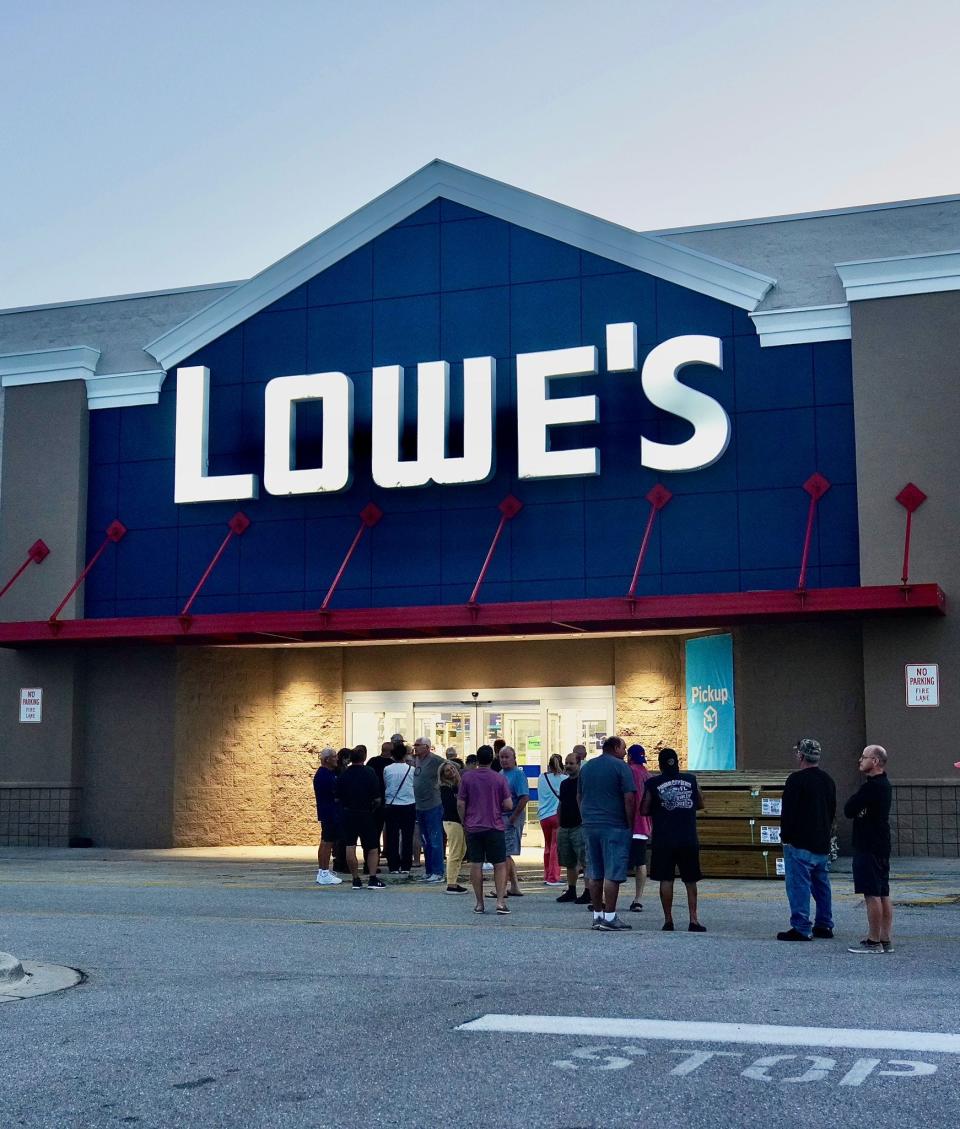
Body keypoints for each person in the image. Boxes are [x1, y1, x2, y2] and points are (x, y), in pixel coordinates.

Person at [776, 737, 836, 942]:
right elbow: (832, 810)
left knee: (798, 886)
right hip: (821, 841)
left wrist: (785, 837)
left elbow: (788, 812)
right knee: (822, 885)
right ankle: (824, 924)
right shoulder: (828, 780)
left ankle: (801, 927)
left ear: (801, 756)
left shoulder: (796, 780)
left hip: (799, 842)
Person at [641, 748, 706, 932]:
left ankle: (668, 920)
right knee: (690, 880)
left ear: (660, 764)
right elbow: (701, 802)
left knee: (666, 879)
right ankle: (694, 920)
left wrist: (659, 806)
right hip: (688, 838)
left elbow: (644, 809)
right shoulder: (690, 780)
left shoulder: (653, 783)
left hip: (663, 839)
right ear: (677, 762)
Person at [578, 735, 636, 932]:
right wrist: (630, 824)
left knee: (594, 872)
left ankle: (597, 915)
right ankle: (610, 917)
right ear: (616, 747)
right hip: (614, 825)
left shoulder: (587, 767)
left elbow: (579, 795)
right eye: (624, 748)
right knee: (612, 872)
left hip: (590, 825)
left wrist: (585, 817)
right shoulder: (621, 767)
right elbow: (629, 798)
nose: (625, 752)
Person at [845, 744, 894, 954]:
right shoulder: (884, 785)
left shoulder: (871, 787)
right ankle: (885, 938)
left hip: (868, 844)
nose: (860, 760)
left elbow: (849, 809)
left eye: (864, 757)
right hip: (881, 844)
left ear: (874, 761)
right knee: (883, 892)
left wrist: (858, 806)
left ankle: (874, 941)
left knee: (871, 893)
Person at [457, 744, 513, 914]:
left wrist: (464, 821)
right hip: (494, 825)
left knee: (476, 864)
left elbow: (460, 803)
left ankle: (479, 904)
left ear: (477, 758)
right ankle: (500, 902)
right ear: (492, 759)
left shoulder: (467, 778)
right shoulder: (499, 778)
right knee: (499, 864)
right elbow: (509, 804)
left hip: (473, 826)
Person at [335, 747, 385, 889]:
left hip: (348, 813)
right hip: (365, 813)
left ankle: (355, 879)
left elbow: (337, 798)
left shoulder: (344, 774)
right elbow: (377, 797)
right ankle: (372, 877)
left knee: (350, 846)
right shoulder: (370, 773)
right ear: (364, 758)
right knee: (372, 847)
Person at [556, 751, 592, 904]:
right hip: (565, 826)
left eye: (572, 763)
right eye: (567, 763)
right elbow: (561, 804)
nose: (568, 766)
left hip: (579, 826)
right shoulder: (564, 784)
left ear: (579, 764)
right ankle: (571, 890)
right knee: (569, 861)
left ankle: (589, 891)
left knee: (585, 861)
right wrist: (559, 824)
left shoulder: (583, 782)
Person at [412, 736, 446, 884]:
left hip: (433, 805)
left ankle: (438, 872)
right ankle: (429, 870)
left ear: (426, 747)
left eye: (418, 745)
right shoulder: (417, 760)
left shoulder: (435, 760)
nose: (415, 747)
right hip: (420, 806)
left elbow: (451, 767)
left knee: (435, 839)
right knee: (425, 840)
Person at [496, 746, 529, 898]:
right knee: (505, 853)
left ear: (514, 758)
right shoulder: (501, 773)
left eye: (506, 757)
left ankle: (501, 886)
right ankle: (514, 885)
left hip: (511, 816)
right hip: (501, 817)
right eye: (501, 757)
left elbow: (524, 797)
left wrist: (513, 817)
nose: (503, 760)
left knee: (505, 853)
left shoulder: (518, 774)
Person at [383, 742, 417, 875]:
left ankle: (393, 866)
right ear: (405, 755)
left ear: (392, 755)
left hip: (392, 805)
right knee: (407, 836)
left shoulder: (387, 769)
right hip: (409, 804)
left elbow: (387, 784)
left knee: (392, 836)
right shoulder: (411, 770)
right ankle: (406, 865)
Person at [627, 745, 652, 912]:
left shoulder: (626, 772)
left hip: (625, 825)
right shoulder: (648, 775)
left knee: (615, 862)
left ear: (629, 757)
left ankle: (606, 898)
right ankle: (638, 899)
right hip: (643, 825)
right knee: (640, 862)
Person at [312, 747, 343, 886]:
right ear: (327, 760)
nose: (337, 759)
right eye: (334, 756)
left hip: (329, 811)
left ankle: (323, 871)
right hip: (329, 812)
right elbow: (334, 794)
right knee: (327, 841)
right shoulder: (324, 775)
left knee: (326, 840)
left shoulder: (327, 773)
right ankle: (324, 871)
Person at [538, 753, 565, 886]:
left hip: (543, 816)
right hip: (557, 816)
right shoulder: (564, 779)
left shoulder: (541, 777)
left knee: (548, 846)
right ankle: (553, 877)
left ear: (549, 765)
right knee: (556, 846)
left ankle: (546, 873)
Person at [440, 761, 467, 893]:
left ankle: (454, 881)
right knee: (455, 852)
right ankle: (451, 883)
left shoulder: (459, 785)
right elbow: (454, 805)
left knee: (462, 851)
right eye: (447, 770)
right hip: (452, 821)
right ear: (443, 775)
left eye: (452, 768)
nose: (451, 771)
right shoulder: (445, 788)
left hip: (458, 822)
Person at [367, 741, 393, 854]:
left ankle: (374, 856)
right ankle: (390, 855)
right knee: (391, 830)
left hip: (376, 801)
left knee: (375, 831)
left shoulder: (372, 761)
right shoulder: (392, 764)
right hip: (389, 801)